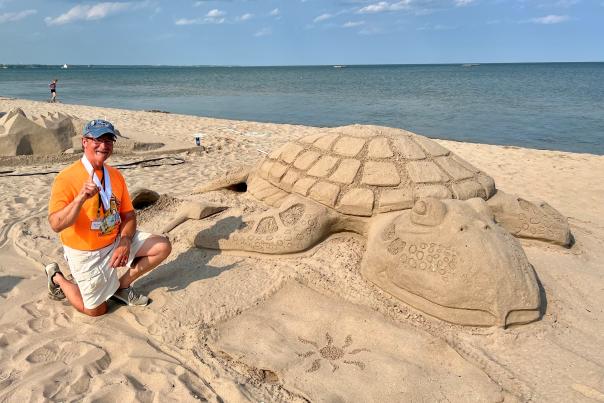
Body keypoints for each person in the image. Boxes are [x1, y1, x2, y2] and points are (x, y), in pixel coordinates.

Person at [45, 119, 172, 317]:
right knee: (97, 311)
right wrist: (80, 199)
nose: (104, 146)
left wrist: (125, 241)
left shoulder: (115, 176)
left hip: (114, 241)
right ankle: (57, 277)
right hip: (86, 252)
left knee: (162, 246)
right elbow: (56, 224)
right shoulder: (66, 178)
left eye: (109, 141)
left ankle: (121, 287)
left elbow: (128, 215)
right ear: (84, 141)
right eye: (98, 139)